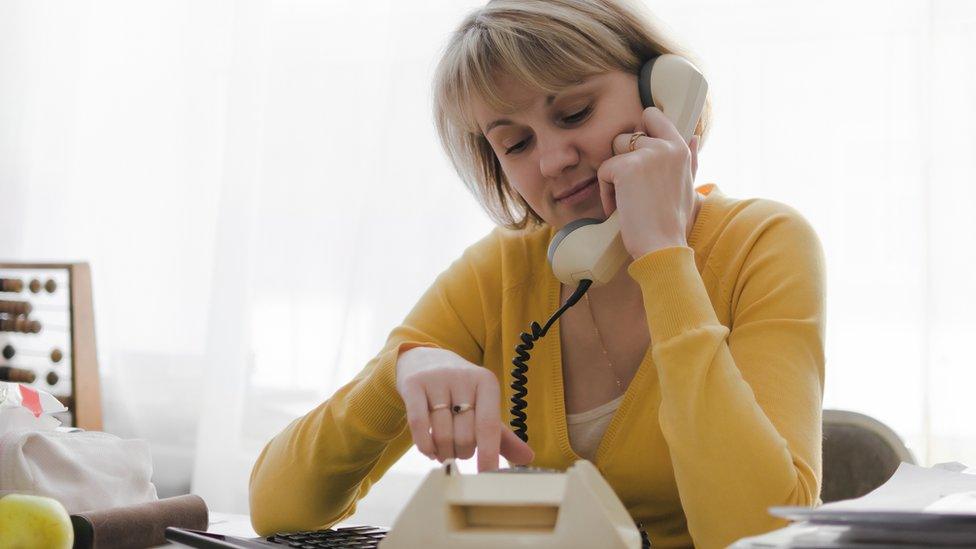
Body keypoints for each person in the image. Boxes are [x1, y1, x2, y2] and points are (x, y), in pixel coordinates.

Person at [249, 1, 826, 547]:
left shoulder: (763, 244)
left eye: (575, 113)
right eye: (516, 143)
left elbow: (757, 535)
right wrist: (400, 371)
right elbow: (277, 508)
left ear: (663, 91)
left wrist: (662, 256)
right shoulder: (501, 272)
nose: (552, 160)